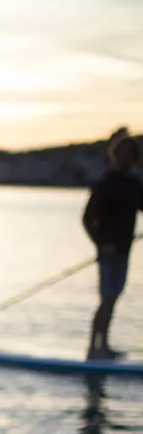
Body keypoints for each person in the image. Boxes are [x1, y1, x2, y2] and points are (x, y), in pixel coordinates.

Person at [82, 127, 143, 360]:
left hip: (124, 251)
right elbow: (87, 219)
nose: (124, 158)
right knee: (107, 298)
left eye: (128, 154)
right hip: (108, 253)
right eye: (120, 153)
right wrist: (100, 244)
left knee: (113, 298)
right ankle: (94, 348)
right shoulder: (105, 183)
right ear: (114, 156)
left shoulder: (135, 184)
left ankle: (104, 345)